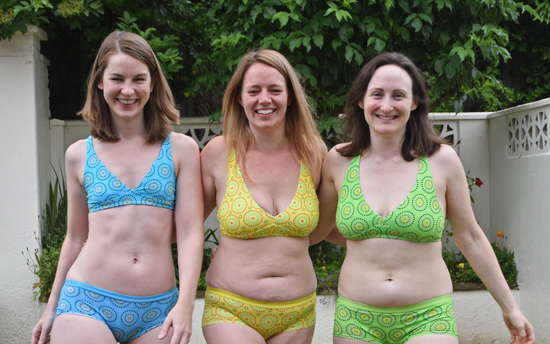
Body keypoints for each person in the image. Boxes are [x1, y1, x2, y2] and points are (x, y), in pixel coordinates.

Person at [310, 52, 535, 344]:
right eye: (377, 94)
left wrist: (511, 308)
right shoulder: (338, 160)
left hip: (428, 318)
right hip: (356, 320)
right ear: (361, 100)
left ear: (414, 102)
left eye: (398, 95)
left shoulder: (442, 160)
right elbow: (318, 228)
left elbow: (471, 238)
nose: (387, 105)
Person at [31, 31, 204, 344]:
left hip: (159, 311)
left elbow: (191, 233)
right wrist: (51, 308)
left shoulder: (182, 150)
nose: (128, 90)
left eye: (138, 79)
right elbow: (75, 237)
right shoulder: (78, 155)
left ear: (152, 82)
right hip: (87, 303)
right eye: (117, 78)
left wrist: (186, 305)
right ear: (100, 81)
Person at [200, 49, 327, 344]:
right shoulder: (218, 153)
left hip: (298, 314)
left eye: (275, 90)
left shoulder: (314, 153)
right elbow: (187, 226)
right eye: (254, 91)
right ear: (240, 98)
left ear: (291, 96)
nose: (264, 99)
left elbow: (329, 227)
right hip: (231, 310)